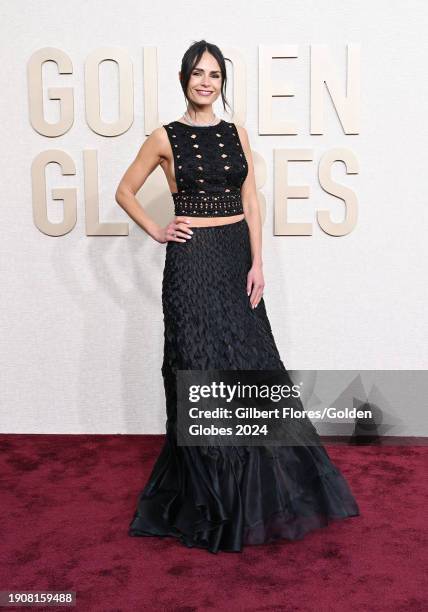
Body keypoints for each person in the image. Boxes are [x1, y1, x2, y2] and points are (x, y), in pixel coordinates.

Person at [115, 40, 360, 554]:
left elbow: (250, 196)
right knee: (197, 366)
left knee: (251, 365)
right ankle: (211, 495)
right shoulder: (164, 137)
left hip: (233, 258)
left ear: (222, 83)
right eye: (197, 74)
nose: (206, 82)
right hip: (191, 261)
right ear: (184, 79)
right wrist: (159, 231)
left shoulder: (236, 134)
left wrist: (258, 261)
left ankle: (255, 487)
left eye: (214, 75)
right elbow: (124, 191)